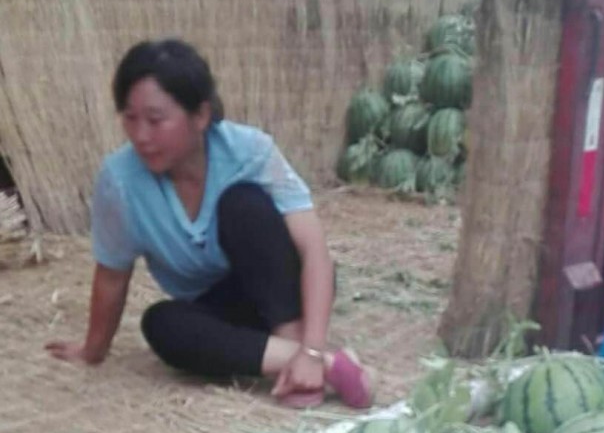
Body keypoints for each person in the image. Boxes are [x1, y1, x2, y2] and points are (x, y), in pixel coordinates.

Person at [46, 39, 373, 409]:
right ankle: (324, 366)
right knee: (161, 325)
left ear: (200, 116)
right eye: (130, 118)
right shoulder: (120, 182)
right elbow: (112, 275)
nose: (141, 136)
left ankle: (300, 352)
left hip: (284, 291)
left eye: (156, 120)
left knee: (242, 204)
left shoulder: (250, 151)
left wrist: (311, 347)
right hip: (222, 315)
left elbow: (314, 253)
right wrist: (92, 350)